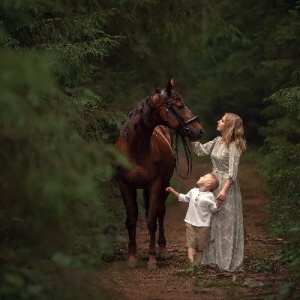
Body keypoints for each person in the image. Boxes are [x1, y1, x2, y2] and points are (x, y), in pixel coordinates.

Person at [189, 112, 246, 272]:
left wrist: (224, 191)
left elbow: (232, 173)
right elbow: (201, 151)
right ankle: (211, 260)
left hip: (226, 188)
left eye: (221, 120)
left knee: (225, 223)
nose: (218, 121)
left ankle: (226, 262)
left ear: (229, 126)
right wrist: (189, 137)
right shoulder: (217, 141)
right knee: (211, 222)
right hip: (213, 183)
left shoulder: (234, 145)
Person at [166, 173, 220, 264]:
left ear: (208, 184)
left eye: (204, 177)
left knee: (200, 247)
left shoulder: (210, 196)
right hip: (190, 222)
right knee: (191, 244)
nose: (201, 176)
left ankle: (197, 264)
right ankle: (191, 264)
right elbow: (184, 198)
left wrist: (219, 202)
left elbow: (214, 209)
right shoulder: (193, 191)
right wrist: (172, 191)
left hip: (203, 226)